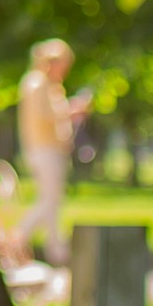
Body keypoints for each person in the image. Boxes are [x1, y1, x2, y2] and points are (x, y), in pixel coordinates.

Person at [17, 38, 93, 266]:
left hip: (52, 149)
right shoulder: (36, 84)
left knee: (53, 201)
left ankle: (55, 250)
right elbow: (43, 116)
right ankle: (18, 239)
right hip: (43, 149)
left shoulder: (51, 86)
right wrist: (71, 110)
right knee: (49, 200)